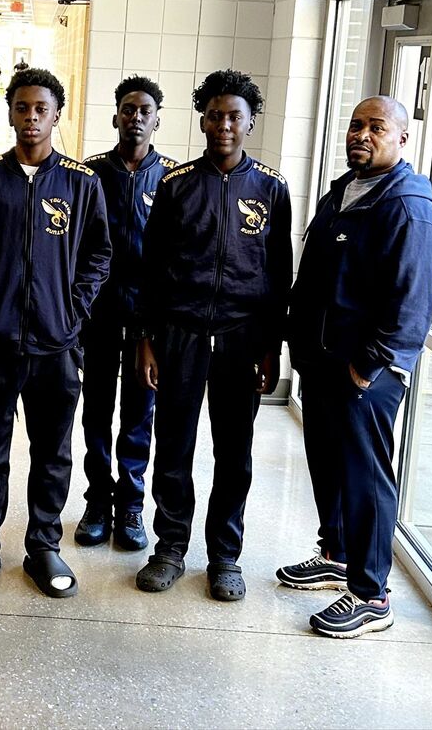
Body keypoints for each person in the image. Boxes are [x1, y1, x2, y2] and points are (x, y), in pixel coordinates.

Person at [278, 96, 432, 638]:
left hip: (363, 374)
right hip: (323, 363)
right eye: (356, 125)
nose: (362, 135)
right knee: (328, 465)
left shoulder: (407, 207)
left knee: (366, 476)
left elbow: (413, 304)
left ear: (401, 139)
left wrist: (370, 367)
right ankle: (337, 554)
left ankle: (371, 593)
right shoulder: (344, 193)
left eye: (377, 127)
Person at [0, 68, 111, 598]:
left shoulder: (82, 184)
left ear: (56, 114)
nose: (31, 118)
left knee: (52, 450)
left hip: (55, 345)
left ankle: (44, 546)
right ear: (10, 112)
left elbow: (98, 255)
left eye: (41, 108)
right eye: (21, 107)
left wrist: (73, 311)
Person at [134, 68, 291, 602]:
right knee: (173, 446)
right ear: (203, 119)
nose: (224, 124)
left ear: (250, 122)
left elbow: (278, 273)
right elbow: (151, 270)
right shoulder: (176, 186)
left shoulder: (272, 189)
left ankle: (225, 556)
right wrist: (148, 338)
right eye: (215, 114)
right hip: (180, 334)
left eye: (235, 116)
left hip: (242, 339)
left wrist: (272, 347)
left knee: (234, 452)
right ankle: (170, 547)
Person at [77, 76, 176, 551]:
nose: (135, 117)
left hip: (148, 320)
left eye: (144, 110)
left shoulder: (174, 179)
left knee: (139, 413)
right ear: (115, 116)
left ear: (157, 119)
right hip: (97, 313)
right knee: (96, 409)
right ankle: (99, 500)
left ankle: (131, 505)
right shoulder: (90, 174)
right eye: (127, 109)